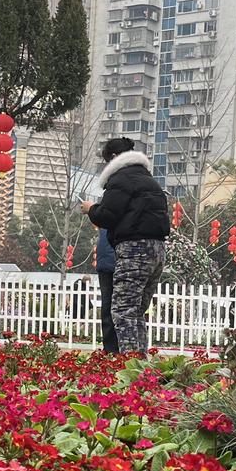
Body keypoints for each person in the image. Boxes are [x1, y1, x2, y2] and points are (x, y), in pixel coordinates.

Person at [86, 137, 169, 354]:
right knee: (137, 312)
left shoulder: (121, 179)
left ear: (114, 158)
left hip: (134, 250)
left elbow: (107, 215)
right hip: (157, 250)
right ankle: (140, 362)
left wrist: (91, 209)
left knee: (124, 311)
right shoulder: (149, 179)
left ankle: (131, 364)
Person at [94, 227, 119, 352]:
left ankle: (111, 349)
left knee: (109, 308)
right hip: (110, 262)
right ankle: (112, 349)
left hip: (108, 261)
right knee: (110, 308)